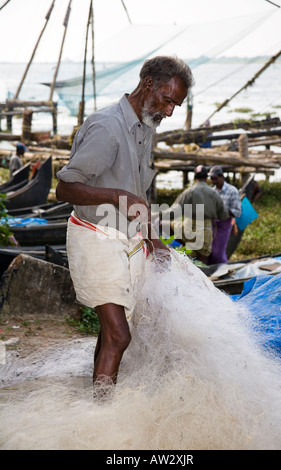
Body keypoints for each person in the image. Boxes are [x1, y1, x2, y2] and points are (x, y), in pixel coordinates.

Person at [56, 56, 194, 390]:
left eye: (177, 104)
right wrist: (117, 196)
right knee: (120, 335)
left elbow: (137, 194)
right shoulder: (107, 128)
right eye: (168, 100)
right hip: (94, 237)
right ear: (148, 84)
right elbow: (65, 188)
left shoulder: (145, 126)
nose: (171, 111)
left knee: (110, 334)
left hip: (125, 239)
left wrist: (153, 240)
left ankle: (99, 396)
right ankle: (104, 419)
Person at [162, 165, 229, 264]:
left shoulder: (189, 192)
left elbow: (173, 212)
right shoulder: (214, 193)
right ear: (207, 178)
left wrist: (157, 214)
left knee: (163, 225)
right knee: (203, 260)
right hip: (206, 230)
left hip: (189, 229)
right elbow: (224, 215)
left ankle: (185, 246)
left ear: (194, 178)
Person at [207, 165, 241, 265]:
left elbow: (237, 212)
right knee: (209, 251)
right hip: (212, 224)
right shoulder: (212, 192)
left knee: (218, 253)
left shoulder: (232, 191)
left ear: (222, 176)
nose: (213, 181)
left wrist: (223, 210)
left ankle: (223, 271)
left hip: (224, 224)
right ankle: (210, 272)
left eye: (215, 178)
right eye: (211, 178)